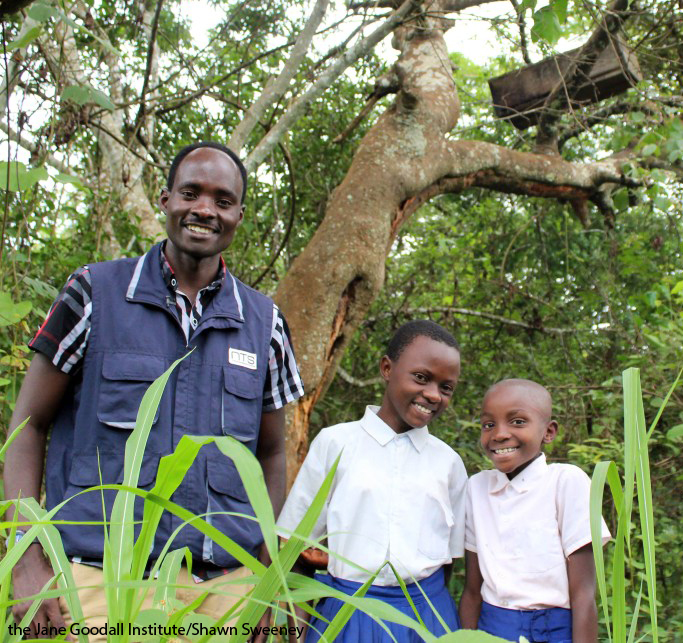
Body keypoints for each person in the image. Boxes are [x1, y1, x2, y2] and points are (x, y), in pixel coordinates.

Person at [4, 142, 304, 640]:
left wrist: (270, 576)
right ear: (165, 199)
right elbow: (27, 427)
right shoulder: (93, 294)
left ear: (239, 216)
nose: (205, 209)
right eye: (191, 193)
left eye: (222, 200)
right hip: (96, 578)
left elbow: (270, 454)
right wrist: (25, 557)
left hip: (222, 590)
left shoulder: (264, 323)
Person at [277, 320, 467, 643]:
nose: (433, 394)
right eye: (421, 378)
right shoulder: (335, 444)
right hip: (346, 614)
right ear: (387, 368)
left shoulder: (448, 463)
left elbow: (450, 559)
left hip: (426, 618)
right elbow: (296, 549)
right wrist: (296, 629)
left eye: (445, 387)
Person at [459, 378, 611, 643]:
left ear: (548, 432)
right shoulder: (476, 488)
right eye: (488, 424)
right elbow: (472, 590)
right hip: (491, 628)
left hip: (555, 631)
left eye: (517, 421)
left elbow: (584, 594)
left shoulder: (565, 482)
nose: (499, 434)